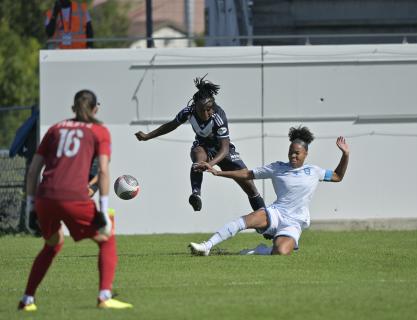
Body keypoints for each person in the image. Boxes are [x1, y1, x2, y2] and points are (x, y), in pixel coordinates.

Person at [18, 90, 132, 311]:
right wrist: (103, 210)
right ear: (95, 109)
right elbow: (105, 172)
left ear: (73, 108)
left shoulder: (55, 129)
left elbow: (33, 171)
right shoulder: (100, 131)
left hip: (45, 196)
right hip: (73, 196)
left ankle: (27, 300)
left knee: (53, 242)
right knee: (106, 237)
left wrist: (31, 208)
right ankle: (104, 296)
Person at [189, 126, 350, 256]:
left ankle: (259, 251)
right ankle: (207, 246)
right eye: (290, 152)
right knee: (244, 221)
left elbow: (337, 176)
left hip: (294, 222)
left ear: (306, 153)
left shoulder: (315, 171)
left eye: (297, 153)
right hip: (276, 213)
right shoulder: (277, 167)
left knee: (281, 252)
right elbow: (247, 173)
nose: (292, 156)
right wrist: (218, 172)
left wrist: (345, 155)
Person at [135, 76, 265, 212]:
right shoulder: (188, 112)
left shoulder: (219, 116)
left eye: (209, 109)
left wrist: (211, 164)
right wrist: (147, 136)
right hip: (203, 146)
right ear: (195, 105)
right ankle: (196, 194)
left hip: (222, 150)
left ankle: (265, 220)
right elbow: (171, 125)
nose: (206, 113)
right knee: (197, 156)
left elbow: (225, 148)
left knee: (249, 186)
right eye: (202, 109)